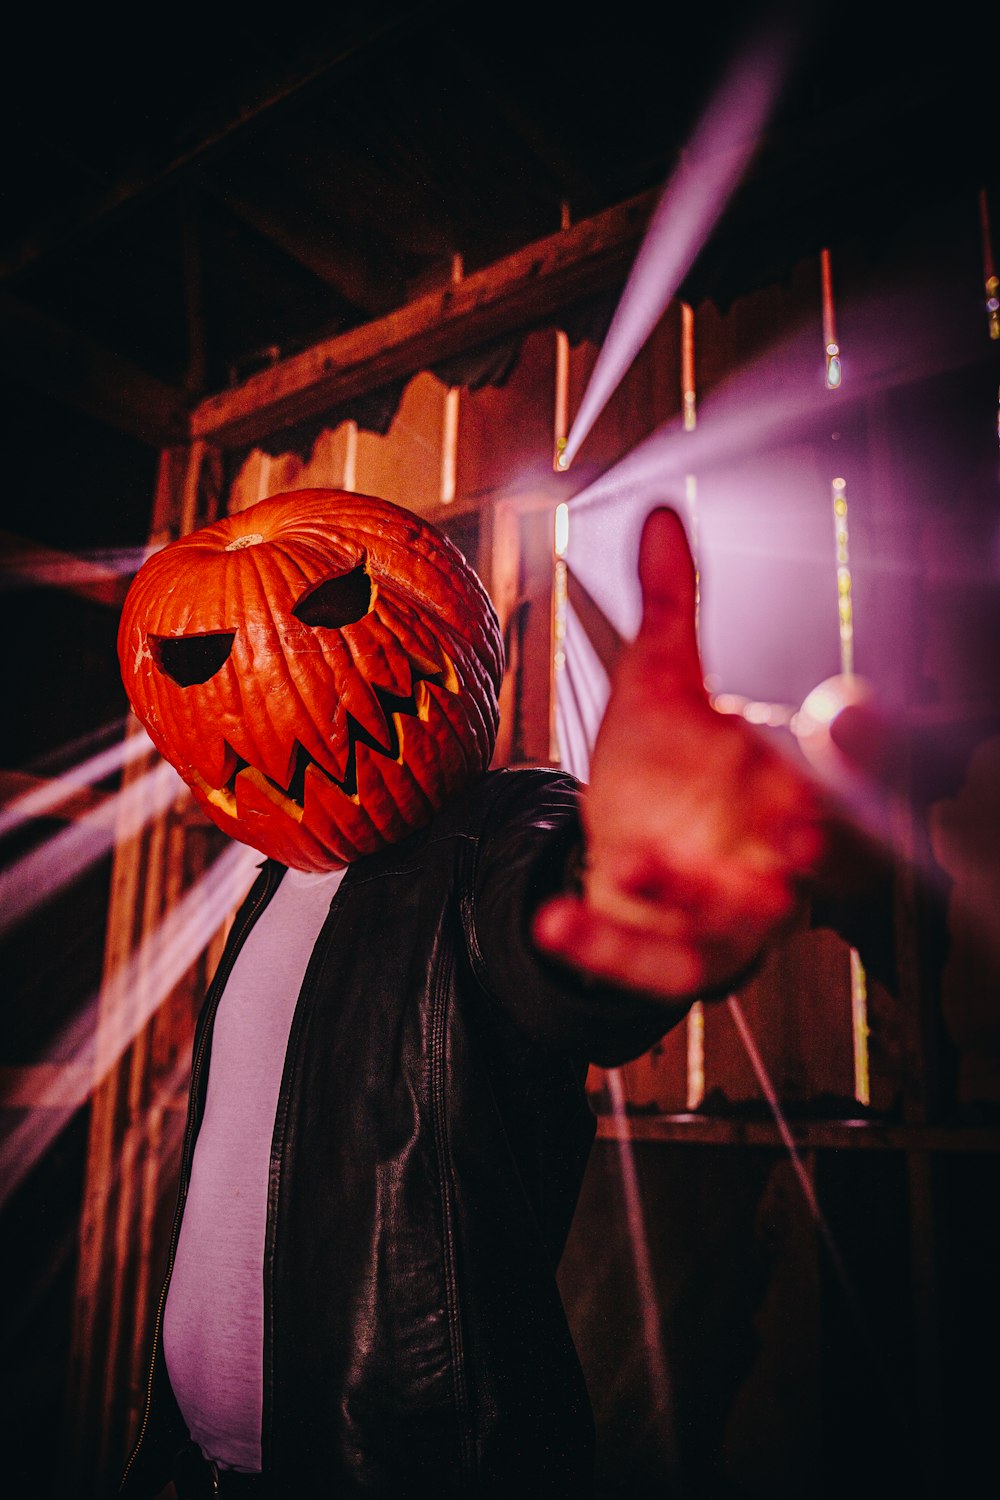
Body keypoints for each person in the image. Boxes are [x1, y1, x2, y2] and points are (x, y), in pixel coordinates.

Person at [115, 493, 849, 1499]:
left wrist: (637, 900)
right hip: (203, 1468)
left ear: (454, 626)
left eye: (330, 606)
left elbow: (554, 955)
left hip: (417, 1472)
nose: (268, 677)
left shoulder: (503, 828)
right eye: (199, 660)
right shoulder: (272, 880)